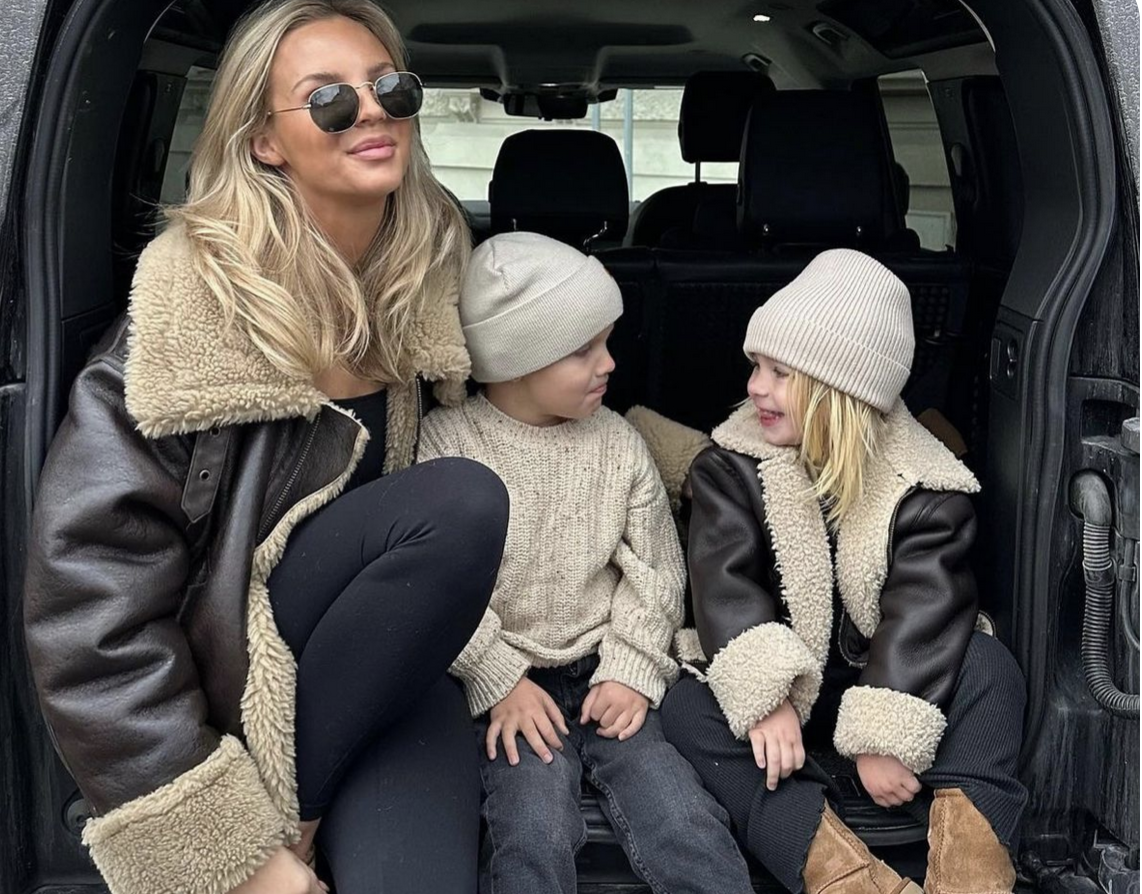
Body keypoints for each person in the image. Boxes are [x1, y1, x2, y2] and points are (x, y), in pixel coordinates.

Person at [21, 2, 510, 894]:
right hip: (238, 696)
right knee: (460, 501)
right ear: (263, 142)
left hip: (385, 667)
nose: (372, 110)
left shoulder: (416, 289)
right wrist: (234, 856)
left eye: (390, 87)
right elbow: (89, 610)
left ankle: (299, 816)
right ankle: (286, 821)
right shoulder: (188, 323)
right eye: (329, 99)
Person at [660, 249, 1028, 894]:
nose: (755, 387)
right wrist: (766, 697)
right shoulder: (729, 469)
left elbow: (925, 609)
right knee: (688, 705)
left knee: (990, 669)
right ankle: (843, 876)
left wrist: (884, 733)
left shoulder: (926, 489)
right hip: (784, 697)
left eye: (779, 373)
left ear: (842, 393)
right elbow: (725, 587)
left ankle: (969, 872)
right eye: (755, 366)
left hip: (888, 678)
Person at [418, 231, 756, 894]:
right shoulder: (448, 445)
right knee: (532, 828)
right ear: (516, 358)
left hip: (606, 672)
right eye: (583, 350)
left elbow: (656, 573)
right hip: (507, 683)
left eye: (607, 342)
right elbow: (432, 585)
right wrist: (498, 680)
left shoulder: (618, 445)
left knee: (683, 820)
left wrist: (631, 670)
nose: (609, 364)